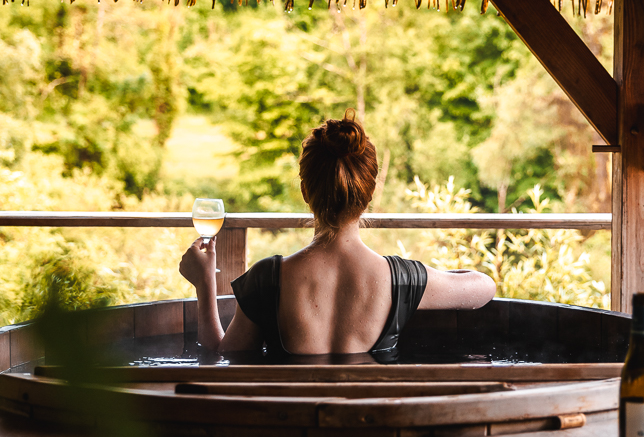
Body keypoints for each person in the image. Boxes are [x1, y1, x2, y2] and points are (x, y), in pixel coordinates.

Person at [178, 110, 496, 357]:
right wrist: (424, 276)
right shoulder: (402, 280)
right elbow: (484, 288)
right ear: (369, 195)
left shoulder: (266, 280)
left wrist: (205, 283)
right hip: (371, 422)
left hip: (291, 423)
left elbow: (221, 356)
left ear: (305, 191)